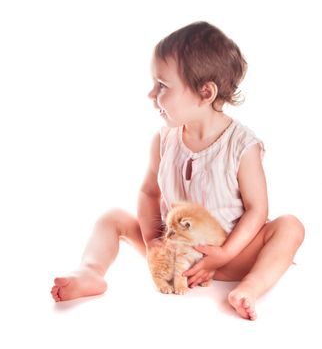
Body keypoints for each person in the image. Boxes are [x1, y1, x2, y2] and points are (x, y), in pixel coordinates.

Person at [51, 21, 304, 320]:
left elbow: (257, 210)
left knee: (290, 226)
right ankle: (90, 272)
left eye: (162, 86)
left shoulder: (241, 146)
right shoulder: (164, 140)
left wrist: (223, 254)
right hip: (175, 253)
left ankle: (250, 287)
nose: (151, 94)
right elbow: (148, 192)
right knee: (112, 218)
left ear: (205, 92)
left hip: (232, 254)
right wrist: (152, 241)